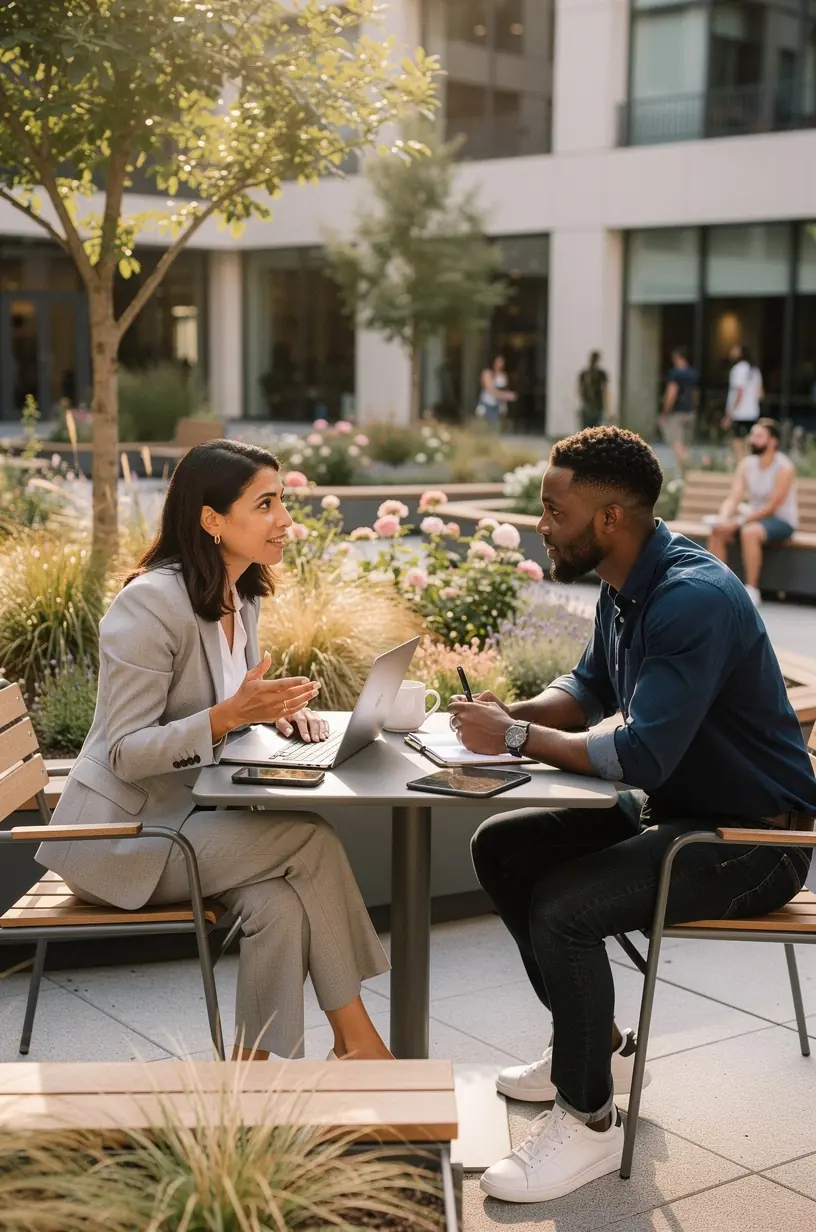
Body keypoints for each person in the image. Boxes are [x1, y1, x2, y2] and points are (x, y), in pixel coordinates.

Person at [447, 426, 814, 1206]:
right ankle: (596, 1048)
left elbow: (639, 755)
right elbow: (583, 692)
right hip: (680, 813)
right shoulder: (623, 586)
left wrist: (514, 739)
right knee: (502, 849)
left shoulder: (692, 599)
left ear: (609, 518)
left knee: (565, 906)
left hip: (754, 840)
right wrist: (504, 714)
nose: (540, 522)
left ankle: (587, 1121)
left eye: (553, 509)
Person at [39, 440, 392, 1062]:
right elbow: (123, 751)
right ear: (212, 519)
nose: (286, 519)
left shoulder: (240, 594)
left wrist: (273, 711)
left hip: (188, 823)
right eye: (266, 503)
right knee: (311, 839)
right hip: (121, 839)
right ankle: (358, 1042)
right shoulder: (150, 604)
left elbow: (232, 701)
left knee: (280, 905)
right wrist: (229, 715)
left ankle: (255, 1075)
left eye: (282, 501)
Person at [708, 417, 798, 607]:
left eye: (759, 436)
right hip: (752, 517)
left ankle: (752, 590)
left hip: (780, 520)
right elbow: (734, 497)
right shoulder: (747, 464)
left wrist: (739, 522)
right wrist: (724, 518)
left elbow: (772, 507)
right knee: (718, 530)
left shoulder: (784, 468)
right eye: (752, 435)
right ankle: (718, 587)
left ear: (773, 441)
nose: (752, 440)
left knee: (750, 532)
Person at [659, 346, 699, 471]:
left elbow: (672, 393)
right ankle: (687, 473)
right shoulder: (693, 374)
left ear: (677, 358)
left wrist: (664, 412)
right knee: (685, 445)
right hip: (690, 412)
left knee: (676, 443)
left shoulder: (675, 373)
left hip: (677, 412)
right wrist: (694, 408)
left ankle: (689, 470)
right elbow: (696, 394)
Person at [723, 344, 763, 459]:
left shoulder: (738, 369)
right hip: (753, 411)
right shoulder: (755, 370)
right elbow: (760, 393)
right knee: (750, 442)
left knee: (737, 442)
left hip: (739, 413)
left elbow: (739, 392)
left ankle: (742, 468)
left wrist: (730, 414)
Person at [477, 355, 516, 429]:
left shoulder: (503, 376)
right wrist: (506, 395)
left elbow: (504, 389)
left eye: (502, 362)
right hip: (486, 404)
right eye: (498, 362)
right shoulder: (487, 373)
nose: (500, 365)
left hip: (498, 405)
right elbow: (491, 390)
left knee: (496, 426)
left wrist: (505, 397)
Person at [577, 351, 609, 430]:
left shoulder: (586, 373)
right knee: (595, 431)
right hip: (592, 406)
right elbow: (605, 391)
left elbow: (580, 390)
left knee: (588, 431)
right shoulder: (587, 373)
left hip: (592, 406)